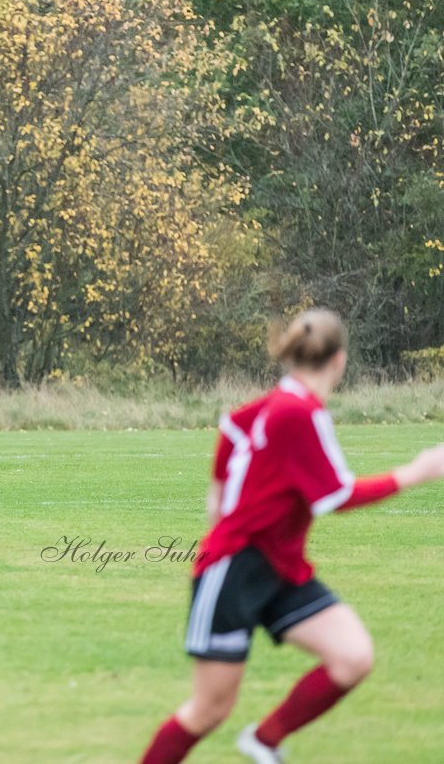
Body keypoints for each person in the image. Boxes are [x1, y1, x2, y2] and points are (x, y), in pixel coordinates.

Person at [139, 309, 444, 763]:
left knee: (352, 657)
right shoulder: (301, 412)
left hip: (278, 568)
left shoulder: (251, 413)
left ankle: (263, 741)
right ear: (339, 361)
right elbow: (336, 496)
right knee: (208, 710)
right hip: (235, 571)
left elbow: (217, 495)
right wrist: (416, 472)